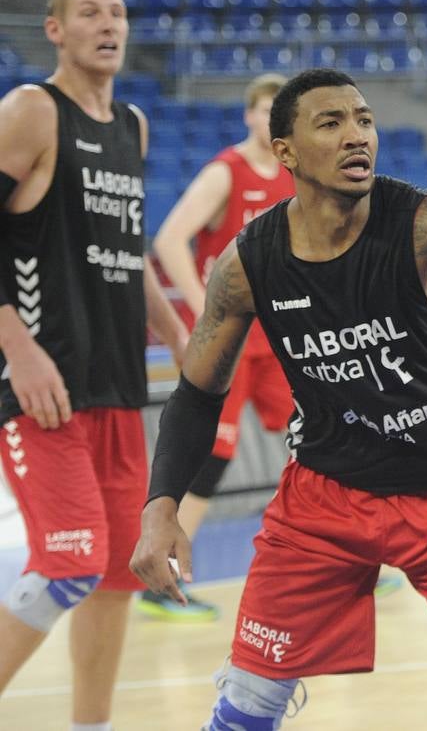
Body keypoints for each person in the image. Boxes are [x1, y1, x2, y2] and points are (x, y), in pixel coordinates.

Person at [130, 68, 427, 730]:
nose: (356, 135)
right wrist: (161, 510)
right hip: (325, 504)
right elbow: (194, 393)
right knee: (242, 713)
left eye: (363, 119)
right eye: (331, 123)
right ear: (286, 152)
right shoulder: (249, 264)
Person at [0, 0, 189, 730]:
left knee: (116, 574)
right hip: (42, 387)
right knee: (70, 564)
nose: (108, 24)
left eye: (117, 12)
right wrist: (19, 345)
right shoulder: (30, 112)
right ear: (56, 30)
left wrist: (179, 333)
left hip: (116, 385)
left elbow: (125, 247)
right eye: (89, 13)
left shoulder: (131, 126)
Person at [139, 73, 294, 621]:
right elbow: (166, 239)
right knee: (212, 453)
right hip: (230, 335)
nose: (271, 117)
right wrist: (209, 302)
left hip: (278, 332)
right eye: (263, 108)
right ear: (250, 116)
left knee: (320, 433)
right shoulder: (225, 173)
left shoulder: (297, 176)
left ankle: (347, 562)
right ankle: (162, 579)